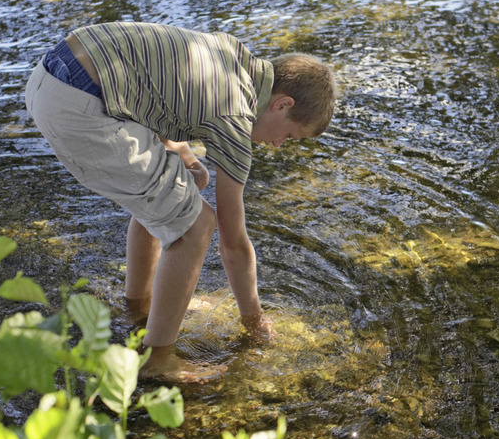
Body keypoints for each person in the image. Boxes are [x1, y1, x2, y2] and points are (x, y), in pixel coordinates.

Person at [25, 21, 337, 381]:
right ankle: (158, 360)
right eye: (289, 135)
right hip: (81, 107)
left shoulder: (232, 56)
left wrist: (186, 158)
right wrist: (254, 322)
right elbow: (233, 242)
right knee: (197, 225)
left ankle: (138, 306)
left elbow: (155, 89)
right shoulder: (235, 118)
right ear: (282, 105)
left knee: (176, 189)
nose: (279, 145)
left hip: (54, 76)